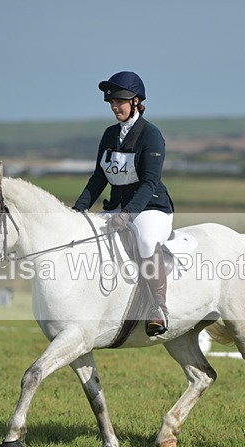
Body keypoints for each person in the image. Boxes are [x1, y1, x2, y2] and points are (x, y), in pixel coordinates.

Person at [73, 71, 174, 336]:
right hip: (117, 208)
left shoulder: (151, 135)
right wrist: (76, 211)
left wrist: (128, 214)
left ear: (136, 101)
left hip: (150, 207)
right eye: (111, 103)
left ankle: (159, 308)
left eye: (119, 101)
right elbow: (99, 178)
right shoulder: (109, 134)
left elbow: (150, 182)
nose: (114, 106)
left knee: (145, 241)